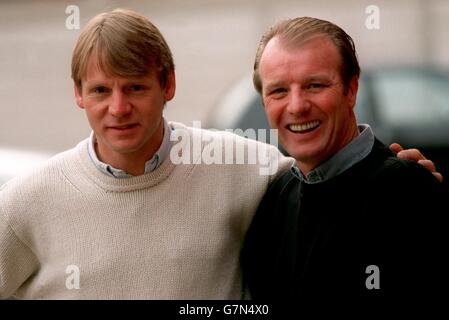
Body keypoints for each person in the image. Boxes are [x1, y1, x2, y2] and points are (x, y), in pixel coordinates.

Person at [0, 9, 441, 300]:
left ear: (168, 85)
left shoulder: (255, 173)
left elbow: (344, 178)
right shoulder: (25, 201)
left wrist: (405, 178)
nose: (118, 108)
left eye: (135, 87)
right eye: (100, 90)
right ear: (78, 95)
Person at [241, 17, 448, 304]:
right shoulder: (274, 199)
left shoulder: (406, 191)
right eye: (279, 91)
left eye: (314, 85)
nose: (297, 106)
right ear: (264, 101)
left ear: (351, 89)